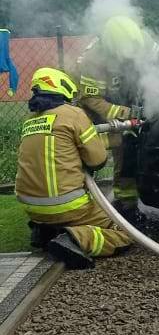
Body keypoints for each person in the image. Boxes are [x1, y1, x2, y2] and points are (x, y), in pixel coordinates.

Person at [15, 67, 132, 269]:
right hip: (69, 207)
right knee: (124, 231)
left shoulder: (30, 121)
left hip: (31, 208)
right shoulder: (74, 114)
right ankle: (75, 239)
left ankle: (45, 231)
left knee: (58, 213)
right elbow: (97, 160)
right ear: (63, 87)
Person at [74, 16, 158, 207]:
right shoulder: (93, 60)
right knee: (122, 145)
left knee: (140, 143)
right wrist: (124, 113)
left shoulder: (145, 42)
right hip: (100, 109)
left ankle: (139, 191)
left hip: (131, 98)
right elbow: (91, 99)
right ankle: (124, 202)